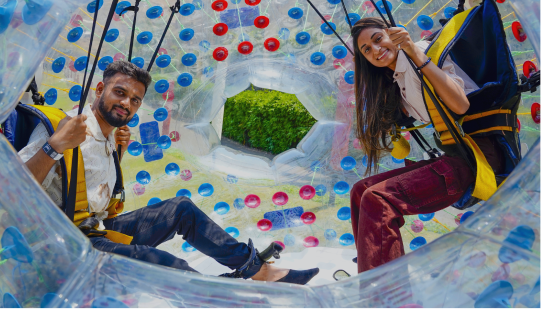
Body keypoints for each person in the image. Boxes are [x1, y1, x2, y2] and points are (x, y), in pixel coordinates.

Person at [19, 60, 319, 284]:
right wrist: (54, 146)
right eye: (119, 92)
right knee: (168, 266)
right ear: (100, 89)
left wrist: (118, 154)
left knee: (181, 209)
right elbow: (11, 188)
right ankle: (218, 299)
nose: (126, 104)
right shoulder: (63, 127)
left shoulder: (112, 137)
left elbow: (92, 190)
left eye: (135, 100)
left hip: (97, 229)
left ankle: (257, 269)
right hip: (66, 243)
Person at [349, 18, 506, 273]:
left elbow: (460, 105)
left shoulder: (424, 51)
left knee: (378, 199)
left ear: (392, 33)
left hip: (477, 157)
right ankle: (372, 268)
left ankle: (386, 290)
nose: (375, 50)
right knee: (361, 190)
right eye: (367, 50)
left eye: (378, 39)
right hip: (454, 155)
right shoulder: (395, 77)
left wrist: (415, 52)